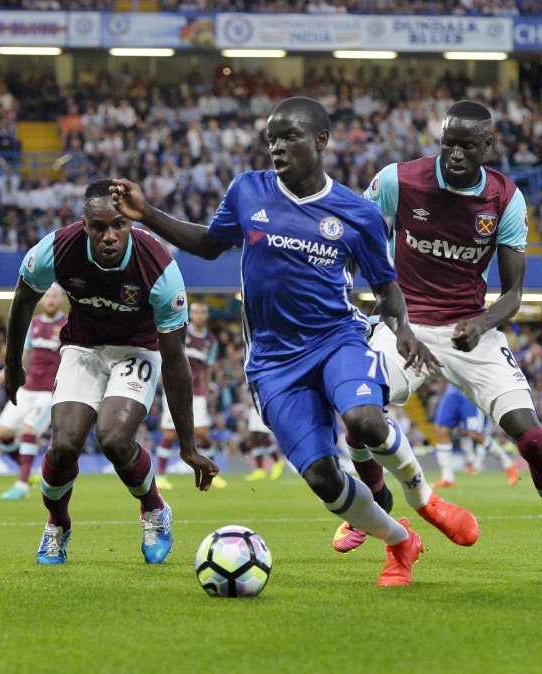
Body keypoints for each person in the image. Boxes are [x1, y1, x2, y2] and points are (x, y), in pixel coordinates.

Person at [110, 96, 479, 587]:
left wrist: (404, 331)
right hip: (273, 363)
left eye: (289, 137)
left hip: (337, 339)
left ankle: (423, 498)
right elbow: (209, 243)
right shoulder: (247, 191)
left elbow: (387, 288)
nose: (277, 148)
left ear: (321, 141)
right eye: (271, 139)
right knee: (325, 479)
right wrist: (147, 213)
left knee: (365, 420)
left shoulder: (356, 213)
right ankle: (399, 540)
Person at [337, 100, 542, 570]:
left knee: (531, 437)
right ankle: (375, 504)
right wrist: (361, 297)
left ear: (488, 146)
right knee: (358, 413)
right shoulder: (396, 180)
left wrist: (481, 324)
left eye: (467, 146)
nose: (456, 154)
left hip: (471, 328)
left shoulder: (506, 198)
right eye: (449, 144)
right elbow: (352, 237)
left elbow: (514, 293)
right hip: (405, 324)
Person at [4, 179, 218, 566]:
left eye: (119, 225)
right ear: (83, 224)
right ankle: (57, 525)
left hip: (138, 349)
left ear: (131, 224)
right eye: (98, 227)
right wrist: (11, 364)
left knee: (115, 439)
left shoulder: (159, 269)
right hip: (83, 348)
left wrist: (188, 446)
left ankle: (154, 510)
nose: (109, 236)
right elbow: (23, 299)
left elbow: (175, 361)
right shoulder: (56, 249)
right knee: (64, 444)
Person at [0, 284, 67, 500]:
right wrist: (7, 370)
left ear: (61, 299)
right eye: (47, 296)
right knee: (2, 433)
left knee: (28, 428)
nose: (50, 299)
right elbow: (24, 353)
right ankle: (29, 471)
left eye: (54, 296)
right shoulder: (33, 324)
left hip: (49, 392)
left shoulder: (67, 324)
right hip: (28, 388)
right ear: (41, 300)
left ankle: (22, 485)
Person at [155, 301, 228, 490]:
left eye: (203, 312)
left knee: (203, 433)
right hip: (176, 388)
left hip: (197, 392)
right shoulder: (180, 331)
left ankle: (211, 469)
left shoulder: (211, 340)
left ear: (207, 316)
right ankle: (161, 476)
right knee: (170, 433)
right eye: (196, 312)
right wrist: (162, 377)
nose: (200, 316)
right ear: (190, 314)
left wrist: (206, 388)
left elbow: (207, 367)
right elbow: (167, 354)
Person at [432, 383, 519, 488]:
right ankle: (447, 478)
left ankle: (508, 463)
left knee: (474, 434)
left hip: (470, 388)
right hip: (453, 389)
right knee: (441, 429)